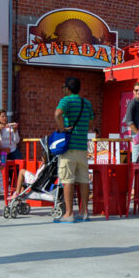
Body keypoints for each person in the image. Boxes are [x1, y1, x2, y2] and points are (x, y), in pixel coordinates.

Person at [53, 76, 94, 223]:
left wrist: (62, 128)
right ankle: (84, 212)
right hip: (82, 147)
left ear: (67, 89)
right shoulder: (86, 103)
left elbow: (58, 113)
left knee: (68, 179)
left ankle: (69, 213)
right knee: (83, 180)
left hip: (68, 147)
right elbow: (90, 121)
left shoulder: (66, 100)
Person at [123, 82, 139, 163]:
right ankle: (134, 176)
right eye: (136, 90)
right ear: (133, 91)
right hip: (137, 135)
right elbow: (128, 121)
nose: (138, 92)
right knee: (136, 161)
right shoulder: (133, 103)